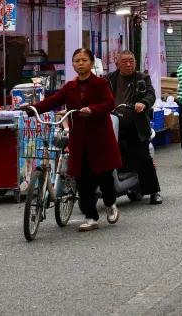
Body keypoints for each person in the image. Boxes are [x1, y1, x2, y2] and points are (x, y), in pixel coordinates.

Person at [25, 48, 121, 232]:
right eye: (77, 60)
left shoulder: (101, 84)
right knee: (83, 179)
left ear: (91, 63)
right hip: (79, 139)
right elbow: (53, 100)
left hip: (100, 139)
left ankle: (110, 204)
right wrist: (32, 108)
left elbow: (109, 103)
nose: (80, 63)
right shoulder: (69, 87)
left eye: (84, 60)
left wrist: (92, 109)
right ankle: (91, 217)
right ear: (73, 64)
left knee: (104, 176)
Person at [106, 51, 162, 205]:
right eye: (124, 61)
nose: (129, 64)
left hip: (135, 125)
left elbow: (150, 94)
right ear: (117, 63)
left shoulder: (142, 78)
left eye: (131, 61)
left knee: (143, 157)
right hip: (113, 124)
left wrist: (143, 103)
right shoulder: (108, 79)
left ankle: (154, 191)